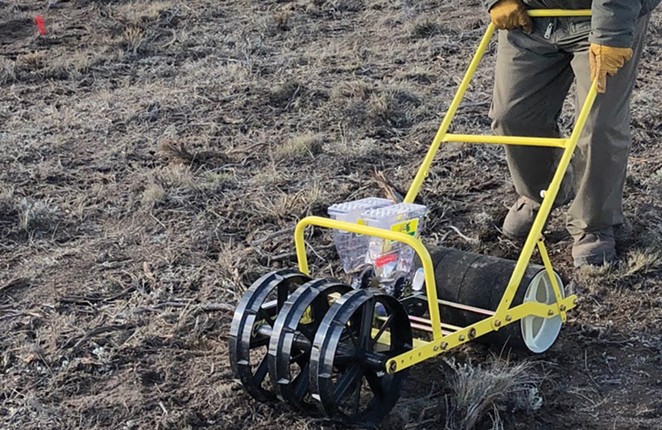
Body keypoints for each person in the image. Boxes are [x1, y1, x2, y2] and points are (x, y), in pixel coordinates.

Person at [483, 0, 660, 267]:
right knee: (511, 116)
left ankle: (594, 223)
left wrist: (611, 32)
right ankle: (541, 193)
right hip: (532, 16)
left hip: (603, 15)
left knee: (598, 125)